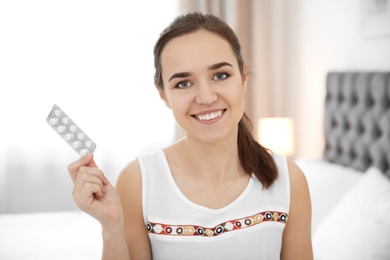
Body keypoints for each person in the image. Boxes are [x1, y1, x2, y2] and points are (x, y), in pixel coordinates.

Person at [68, 12, 313, 260]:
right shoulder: (139, 182)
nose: (206, 98)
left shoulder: (289, 181)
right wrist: (111, 228)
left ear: (243, 79)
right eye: (184, 83)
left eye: (220, 76)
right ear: (163, 95)